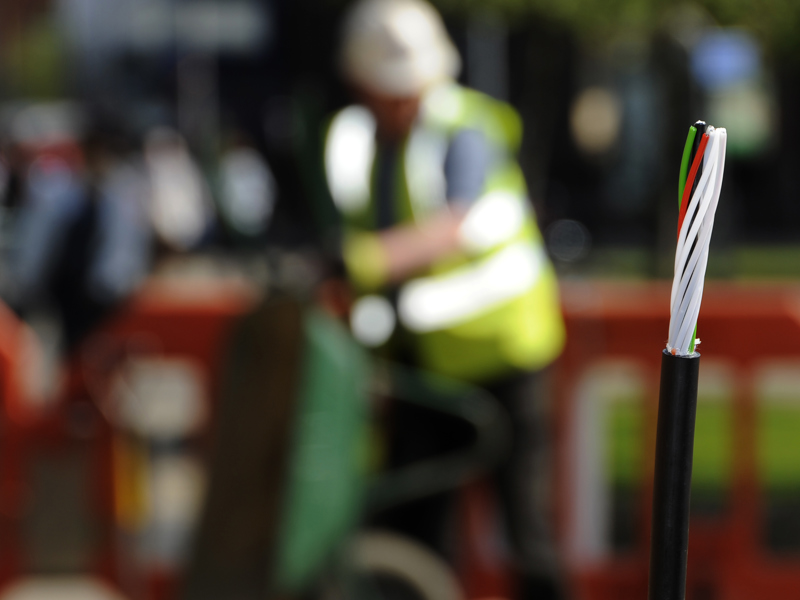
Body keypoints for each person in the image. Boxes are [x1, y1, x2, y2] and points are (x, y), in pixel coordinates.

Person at [323, 0, 567, 598]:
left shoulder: (464, 127)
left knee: (524, 530)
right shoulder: (378, 145)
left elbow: (452, 224)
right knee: (414, 524)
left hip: (505, 355)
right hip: (428, 361)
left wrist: (362, 262)